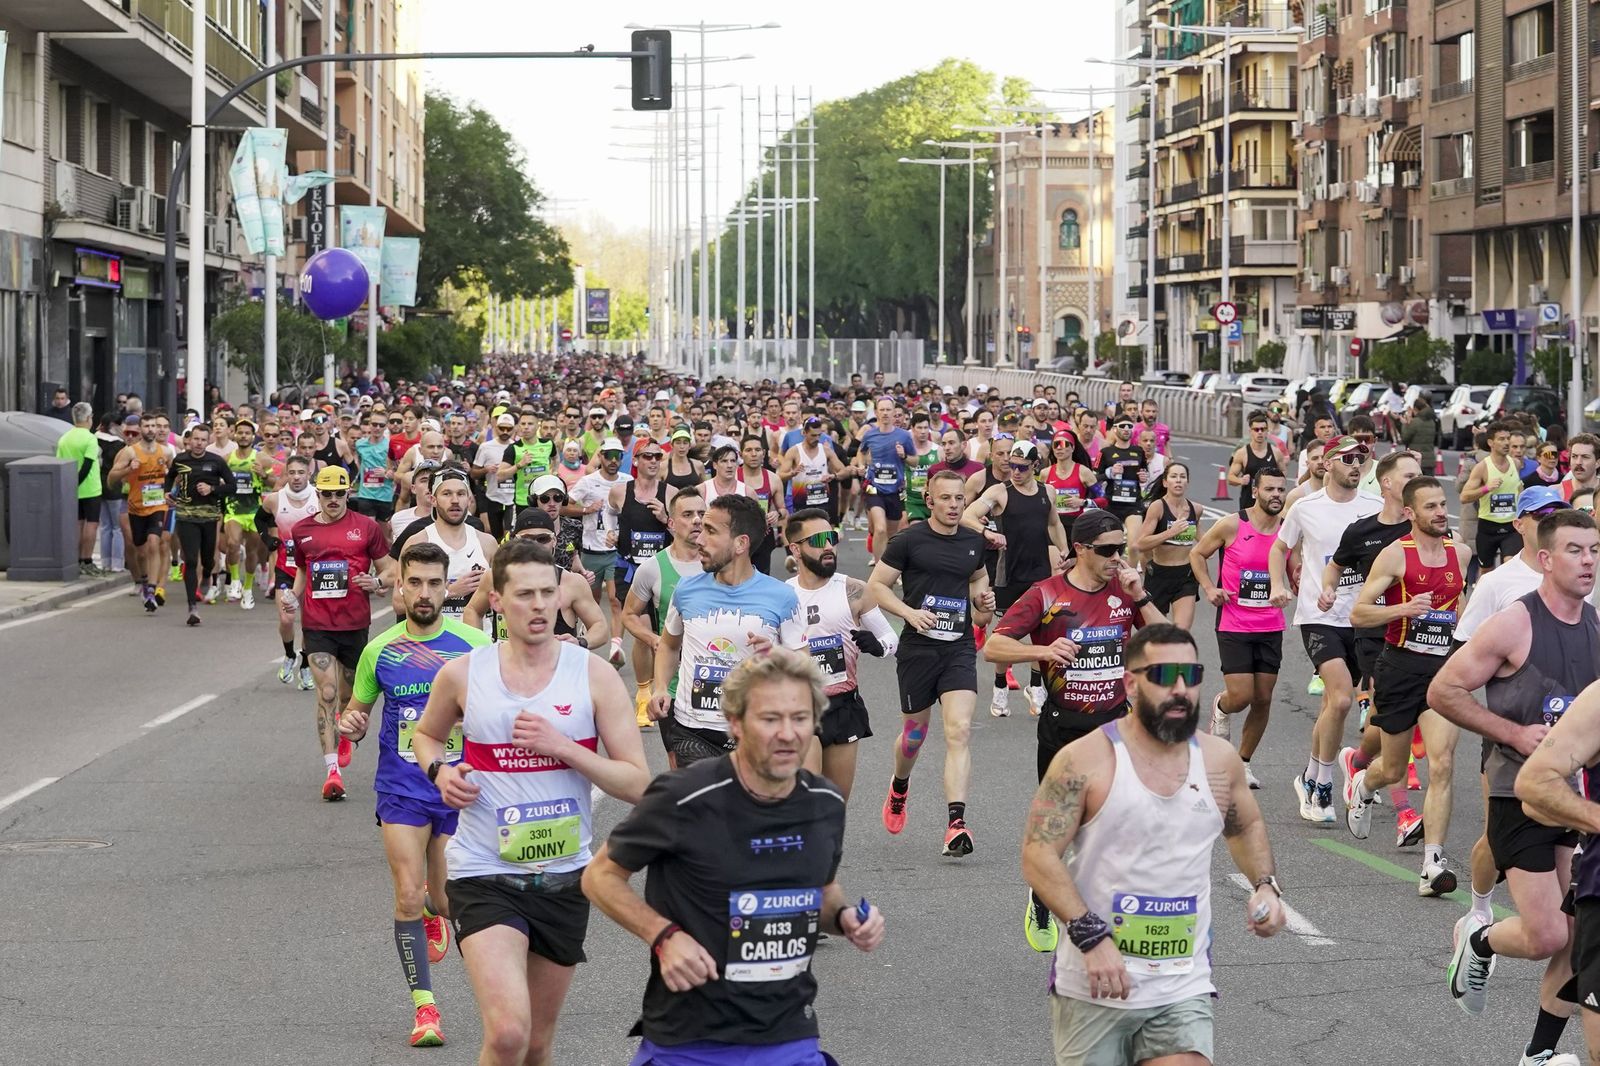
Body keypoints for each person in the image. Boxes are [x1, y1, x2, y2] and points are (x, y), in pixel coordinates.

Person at [582, 648, 886, 1066]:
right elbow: (599, 877)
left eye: (799, 718)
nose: (787, 733)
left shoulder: (824, 802)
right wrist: (664, 937)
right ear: (736, 723)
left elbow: (824, 889)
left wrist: (847, 919)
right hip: (691, 1041)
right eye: (770, 719)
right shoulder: (683, 796)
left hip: (789, 1036)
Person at [411, 537, 650, 1066]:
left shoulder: (592, 675)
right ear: (496, 599)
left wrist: (564, 747)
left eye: (548, 593)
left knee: (538, 1046)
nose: (540, 605)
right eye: (525, 594)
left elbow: (637, 782)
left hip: (565, 879)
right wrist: (440, 772)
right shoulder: (464, 673)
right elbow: (426, 737)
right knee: (508, 1034)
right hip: (482, 872)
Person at [1021, 623, 1286, 1066]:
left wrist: (1264, 885)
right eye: (1164, 676)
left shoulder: (1218, 761)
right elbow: (1037, 852)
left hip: (1182, 982)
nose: (1181, 690)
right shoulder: (1086, 760)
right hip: (1094, 982)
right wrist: (1091, 937)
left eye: (1192, 675)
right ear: (1131, 682)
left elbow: (1243, 828)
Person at [1431, 510, 1598, 1066]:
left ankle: (1539, 1054)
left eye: (1595, 550)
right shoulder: (1514, 623)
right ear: (1546, 560)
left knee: (1576, 936)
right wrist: (1512, 732)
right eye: (1575, 550)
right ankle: (1479, 939)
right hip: (1517, 791)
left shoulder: (1596, 625)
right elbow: (1444, 690)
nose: (1589, 561)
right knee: (1547, 935)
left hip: (1578, 798)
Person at [985, 508, 1167, 952]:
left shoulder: (1126, 593)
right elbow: (994, 646)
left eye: (1120, 548)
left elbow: (1169, 646)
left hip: (1116, 728)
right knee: (1058, 826)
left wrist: (1141, 597)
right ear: (1081, 550)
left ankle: (1106, 918)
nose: (1116, 557)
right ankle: (1043, 893)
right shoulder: (1047, 594)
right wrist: (1043, 650)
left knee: (1114, 826)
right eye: (1106, 550)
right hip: (1063, 729)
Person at [337, 541, 492, 1048]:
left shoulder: (474, 644)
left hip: (455, 787)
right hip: (401, 787)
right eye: (415, 583)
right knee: (406, 891)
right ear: (399, 585)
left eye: (434, 583)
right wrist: (353, 725)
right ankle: (426, 1011)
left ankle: (433, 910)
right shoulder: (378, 650)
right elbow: (352, 716)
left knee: (447, 900)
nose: (424, 593)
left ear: (446, 587)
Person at [1344, 476, 1469, 896]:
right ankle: (1363, 784)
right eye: (1430, 506)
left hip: (1443, 673)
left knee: (1444, 762)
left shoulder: (1461, 554)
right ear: (1411, 513)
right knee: (1393, 769)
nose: (1439, 513)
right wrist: (1403, 607)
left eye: (1442, 505)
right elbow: (1358, 614)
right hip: (1398, 666)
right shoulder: (1394, 556)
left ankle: (1433, 863)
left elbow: (1460, 608)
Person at [869, 468, 995, 856]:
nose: (955, 505)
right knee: (914, 737)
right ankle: (899, 786)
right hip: (918, 649)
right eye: (946, 498)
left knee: (958, 731)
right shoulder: (909, 540)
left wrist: (983, 604)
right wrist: (908, 613)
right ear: (930, 501)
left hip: (957, 647)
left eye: (960, 498)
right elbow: (877, 587)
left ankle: (956, 823)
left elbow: (978, 581)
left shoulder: (974, 542)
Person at [1270, 435, 1381, 822]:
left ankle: (1310, 775)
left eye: (1361, 458)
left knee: (1330, 706)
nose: (1355, 464)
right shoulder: (1305, 506)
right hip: (1319, 616)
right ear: (1328, 463)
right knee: (1341, 700)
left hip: (1362, 616)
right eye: (1347, 458)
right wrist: (1278, 583)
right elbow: (1279, 547)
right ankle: (1324, 786)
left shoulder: (1376, 507)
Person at [648, 494, 806, 766]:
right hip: (693, 731)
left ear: (740, 543)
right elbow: (669, 646)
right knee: (703, 807)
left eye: (710, 531)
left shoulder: (782, 597)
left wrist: (777, 657)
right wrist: (660, 687)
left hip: (756, 734)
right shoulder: (686, 590)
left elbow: (804, 667)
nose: (699, 540)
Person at [1325, 449, 1427, 838]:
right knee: (1397, 719)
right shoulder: (1363, 531)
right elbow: (1336, 564)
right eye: (1408, 476)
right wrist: (1328, 590)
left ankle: (1358, 758)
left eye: (1420, 475)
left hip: (1424, 639)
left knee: (1399, 719)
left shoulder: (1430, 529)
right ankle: (1404, 815)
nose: (1417, 481)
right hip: (1377, 638)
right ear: (1386, 483)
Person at [283, 465, 395, 801]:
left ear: (349, 492)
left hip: (355, 623)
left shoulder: (366, 528)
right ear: (318, 494)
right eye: (327, 494)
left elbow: (389, 569)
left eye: (339, 493)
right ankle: (332, 771)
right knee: (327, 693)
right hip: (317, 624)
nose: (333, 500)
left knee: (347, 700)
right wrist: (292, 596)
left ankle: (345, 735)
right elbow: (302, 571)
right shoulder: (302, 530)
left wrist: (375, 582)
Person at [786, 507, 898, 800]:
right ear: (795, 550)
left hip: (843, 706)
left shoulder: (854, 590)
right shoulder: (781, 596)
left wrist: (878, 646)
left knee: (834, 804)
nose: (827, 546)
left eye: (832, 537)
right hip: (798, 707)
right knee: (807, 798)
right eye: (818, 540)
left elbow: (890, 638)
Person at [1190, 466, 1289, 792]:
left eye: (1280, 489)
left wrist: (1298, 585)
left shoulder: (1287, 531)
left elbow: (1295, 568)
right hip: (1234, 622)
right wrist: (1208, 587)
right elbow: (1197, 554)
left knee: (1263, 698)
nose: (1276, 495)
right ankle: (1222, 706)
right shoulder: (1232, 524)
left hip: (1270, 624)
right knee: (1241, 696)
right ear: (1256, 491)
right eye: (1270, 489)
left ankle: (1242, 763)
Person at [963, 440, 1069, 717]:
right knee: (1005, 634)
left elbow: (1054, 523)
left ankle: (1036, 686)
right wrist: (988, 533)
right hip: (1008, 572)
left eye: (1022, 467)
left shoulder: (1048, 491)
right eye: (1012, 466)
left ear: (1035, 465)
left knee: (1042, 632)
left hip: (1040, 573)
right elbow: (967, 516)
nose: (1015, 472)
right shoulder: (1000, 491)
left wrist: (1065, 550)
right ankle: (1000, 686)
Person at [621, 490, 707, 762]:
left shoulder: (721, 565)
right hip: (671, 686)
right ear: (670, 523)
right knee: (679, 765)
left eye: (702, 514)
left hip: (716, 684)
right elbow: (629, 614)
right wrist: (654, 639)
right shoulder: (652, 568)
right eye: (688, 514)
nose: (697, 520)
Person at [613, 440, 671, 709]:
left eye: (657, 456)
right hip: (630, 571)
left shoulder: (670, 493)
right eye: (647, 456)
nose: (653, 461)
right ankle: (643, 693)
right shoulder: (619, 491)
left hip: (662, 571)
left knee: (664, 632)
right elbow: (610, 517)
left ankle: (663, 686)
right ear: (635, 461)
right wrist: (611, 535)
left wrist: (665, 520)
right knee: (643, 632)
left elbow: (686, 531)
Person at [164, 423, 236, 626]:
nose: (199, 443)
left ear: (208, 441)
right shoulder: (181, 459)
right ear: (189, 440)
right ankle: (192, 608)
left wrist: (212, 489)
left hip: (209, 516)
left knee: (207, 560)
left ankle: (207, 576)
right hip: (186, 515)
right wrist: (167, 492)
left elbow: (232, 486)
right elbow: (169, 477)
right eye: (196, 439)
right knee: (191, 559)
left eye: (203, 440)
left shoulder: (215, 461)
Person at [261, 456, 320, 688]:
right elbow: (260, 519)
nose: (296, 477)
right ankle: (289, 654)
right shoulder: (275, 499)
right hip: (286, 568)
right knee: (286, 618)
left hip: (312, 568)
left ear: (308, 474)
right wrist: (269, 539)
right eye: (292, 472)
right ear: (286, 474)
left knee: (309, 622)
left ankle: (305, 665)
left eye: (301, 473)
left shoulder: (319, 497)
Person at [107, 412, 175, 611]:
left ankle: (152, 591)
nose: (151, 430)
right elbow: (111, 479)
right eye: (147, 426)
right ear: (140, 429)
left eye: (154, 426)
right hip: (136, 506)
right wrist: (129, 469)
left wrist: (171, 489)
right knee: (140, 550)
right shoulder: (130, 452)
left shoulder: (166, 452)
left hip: (157, 505)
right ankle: (145, 583)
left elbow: (174, 476)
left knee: (155, 541)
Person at [1136, 462, 1203, 630]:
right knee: (1158, 634)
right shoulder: (1157, 507)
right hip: (1159, 575)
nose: (1178, 480)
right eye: (1174, 477)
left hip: (1186, 575)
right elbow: (1141, 544)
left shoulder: (1196, 509)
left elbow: (1204, 542)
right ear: (1166, 482)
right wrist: (1170, 533)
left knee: (1181, 633)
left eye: (1182, 477)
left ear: (1187, 482)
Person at [857, 396, 917, 565]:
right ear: (876, 412)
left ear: (893, 413)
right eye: (881, 410)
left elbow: (915, 461)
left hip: (895, 489)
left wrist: (903, 455)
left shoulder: (904, 436)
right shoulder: (870, 434)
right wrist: (862, 465)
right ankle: (878, 568)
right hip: (873, 487)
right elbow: (861, 452)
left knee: (891, 534)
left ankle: (887, 567)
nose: (885, 413)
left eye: (888, 410)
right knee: (880, 529)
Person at [1463, 420, 1524, 572]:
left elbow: (1519, 489)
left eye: (1507, 438)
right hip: (1488, 527)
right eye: (1501, 439)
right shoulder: (1482, 467)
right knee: (1486, 572)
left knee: (1510, 566)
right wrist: (1486, 488)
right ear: (1491, 442)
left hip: (1511, 527)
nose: (1506, 443)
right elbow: (1464, 497)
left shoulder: (1515, 464)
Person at [56, 401, 104, 575]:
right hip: (90, 488)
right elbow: (88, 465)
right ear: (89, 418)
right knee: (91, 524)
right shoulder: (90, 438)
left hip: (70, 488)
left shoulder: (64, 438)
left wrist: (71, 484)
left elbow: (60, 463)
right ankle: (87, 560)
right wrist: (79, 481)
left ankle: (75, 560)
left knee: (77, 524)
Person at [1227, 410, 1279, 513]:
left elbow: (1283, 470)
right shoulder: (1243, 448)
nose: (1260, 432)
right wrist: (1241, 480)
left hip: (1270, 498)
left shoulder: (1274, 448)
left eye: (1263, 429)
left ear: (1267, 430)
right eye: (1256, 429)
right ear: (1250, 430)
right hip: (1249, 498)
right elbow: (1231, 475)